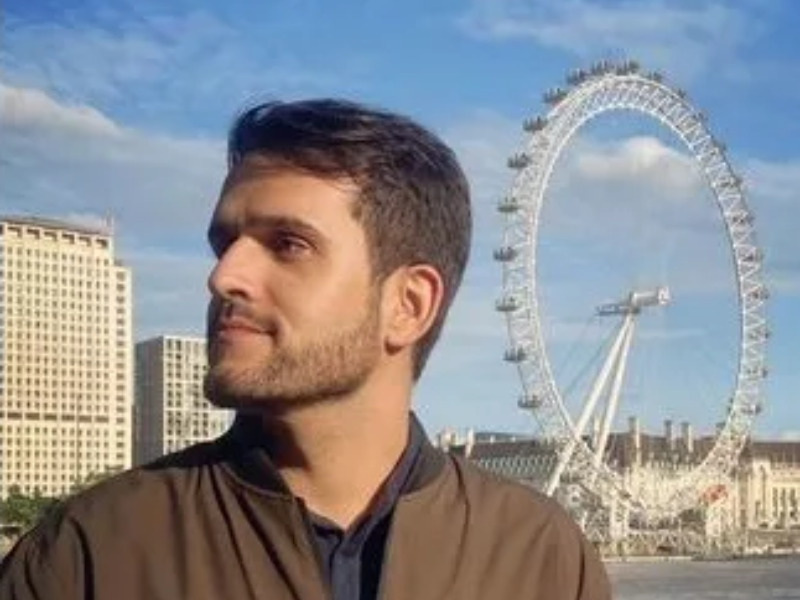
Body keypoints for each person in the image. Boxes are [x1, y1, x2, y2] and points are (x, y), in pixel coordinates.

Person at [0, 99, 611, 600]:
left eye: (288, 244)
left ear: (409, 304)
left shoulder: (543, 558)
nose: (224, 276)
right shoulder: (90, 553)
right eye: (225, 244)